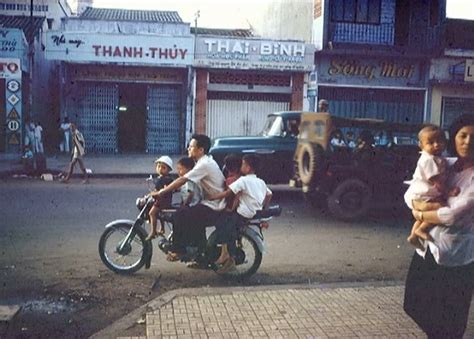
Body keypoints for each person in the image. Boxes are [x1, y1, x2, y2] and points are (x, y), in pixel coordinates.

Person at [403, 114, 474, 338]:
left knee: (450, 322)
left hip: (457, 256)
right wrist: (416, 206)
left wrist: (419, 212)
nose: (468, 142)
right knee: (414, 304)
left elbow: (451, 215)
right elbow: (409, 192)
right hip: (429, 249)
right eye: (463, 135)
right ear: (453, 138)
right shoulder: (445, 164)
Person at [154, 134, 226, 262]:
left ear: (201, 150)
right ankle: (200, 257)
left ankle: (178, 249)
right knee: (192, 218)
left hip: (214, 205)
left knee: (179, 214)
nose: (188, 149)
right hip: (212, 202)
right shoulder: (204, 161)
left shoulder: (204, 164)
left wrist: (162, 192)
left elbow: (183, 179)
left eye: (191, 146)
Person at [207, 154, 273, 273]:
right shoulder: (261, 181)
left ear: (248, 168)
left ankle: (227, 255)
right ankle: (225, 253)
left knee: (222, 224)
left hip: (242, 213)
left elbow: (228, 193)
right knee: (228, 224)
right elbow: (269, 195)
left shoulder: (243, 180)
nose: (241, 166)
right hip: (254, 212)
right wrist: (263, 207)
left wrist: (212, 197)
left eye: (243, 164)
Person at [405, 125, 459, 250]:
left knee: (427, 214)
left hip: (426, 194)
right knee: (440, 208)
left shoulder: (437, 157)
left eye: (440, 141)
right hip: (423, 194)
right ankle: (421, 230)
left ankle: (413, 235)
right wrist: (449, 192)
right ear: (421, 145)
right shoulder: (428, 160)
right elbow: (437, 182)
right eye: (430, 142)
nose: (436, 145)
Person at [146, 156, 174, 240]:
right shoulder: (162, 178)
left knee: (152, 213)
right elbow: (157, 189)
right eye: (158, 166)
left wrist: (152, 194)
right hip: (162, 200)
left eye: (163, 167)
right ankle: (162, 228)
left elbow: (161, 191)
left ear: (169, 170)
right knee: (160, 214)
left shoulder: (166, 179)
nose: (160, 169)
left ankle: (153, 232)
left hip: (162, 201)